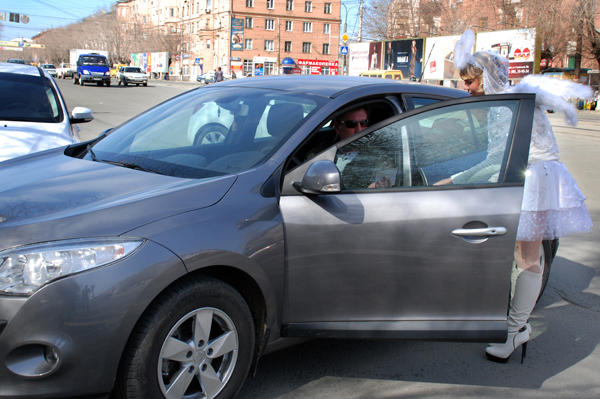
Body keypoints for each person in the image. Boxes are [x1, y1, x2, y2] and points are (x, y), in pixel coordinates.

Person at [437, 30, 593, 363]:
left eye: (470, 82)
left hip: (533, 181)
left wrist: (452, 179)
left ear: (486, 78)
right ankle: (515, 327)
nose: (467, 88)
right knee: (527, 257)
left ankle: (515, 331)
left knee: (525, 258)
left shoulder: (504, 108)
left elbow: (495, 160)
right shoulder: (517, 98)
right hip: (544, 177)